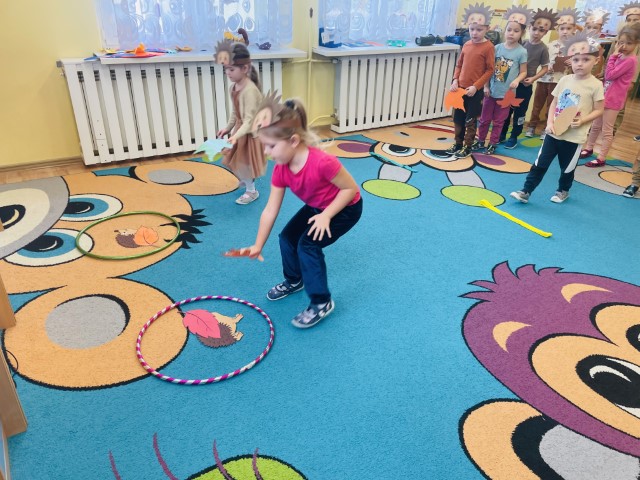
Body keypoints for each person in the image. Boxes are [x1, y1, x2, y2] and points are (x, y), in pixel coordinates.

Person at [244, 96, 363, 329]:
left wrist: (327, 215)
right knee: (287, 238)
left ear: (293, 140)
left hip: (345, 208)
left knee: (307, 246)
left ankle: (322, 301)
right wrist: (258, 245)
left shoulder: (323, 162)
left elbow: (350, 189)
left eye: (271, 146)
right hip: (317, 206)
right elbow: (270, 210)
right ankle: (294, 280)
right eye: (264, 146)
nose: (267, 153)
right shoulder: (281, 169)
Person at [511, 32, 604, 204]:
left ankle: (563, 190)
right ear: (570, 60)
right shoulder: (565, 80)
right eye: (576, 60)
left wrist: (582, 121)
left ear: (596, 61)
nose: (580, 64)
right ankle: (526, 191)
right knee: (540, 163)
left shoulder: (596, 85)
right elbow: (554, 102)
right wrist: (549, 122)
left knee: (567, 168)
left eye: (586, 60)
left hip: (574, 137)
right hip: (553, 132)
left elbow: (599, 110)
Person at [214, 41, 267, 205]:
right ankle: (246, 181)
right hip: (240, 130)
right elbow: (235, 112)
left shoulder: (250, 91)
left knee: (244, 163)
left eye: (231, 69)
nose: (228, 73)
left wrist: (236, 136)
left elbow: (249, 120)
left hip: (251, 133)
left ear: (244, 69)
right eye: (226, 69)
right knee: (235, 160)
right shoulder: (234, 88)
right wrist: (228, 128)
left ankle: (252, 191)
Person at [580, 23, 640, 167]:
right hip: (605, 96)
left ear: (637, 43)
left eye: (629, 43)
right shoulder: (621, 56)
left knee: (606, 130)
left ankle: (601, 157)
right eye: (621, 42)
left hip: (614, 100)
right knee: (595, 125)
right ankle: (589, 148)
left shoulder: (630, 60)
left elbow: (610, 75)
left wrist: (612, 57)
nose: (623, 46)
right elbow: (608, 76)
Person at [499, 8, 555, 148]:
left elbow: (545, 68)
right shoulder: (521, 43)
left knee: (520, 113)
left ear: (545, 33)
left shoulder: (543, 48)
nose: (536, 33)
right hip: (511, 84)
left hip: (525, 86)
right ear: (529, 28)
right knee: (507, 110)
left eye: (541, 30)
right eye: (534, 29)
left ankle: (514, 136)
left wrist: (533, 78)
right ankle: (502, 133)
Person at [446, 3, 495, 159]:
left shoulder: (488, 47)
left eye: (479, 30)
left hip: (474, 91)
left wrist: (476, 86)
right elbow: (459, 65)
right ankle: (458, 143)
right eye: (472, 29)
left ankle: (467, 146)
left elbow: (490, 70)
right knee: (458, 118)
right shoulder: (466, 44)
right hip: (460, 89)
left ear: (487, 29)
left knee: (470, 120)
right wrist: (455, 80)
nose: (474, 33)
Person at [473, 17, 527, 155]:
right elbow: (488, 69)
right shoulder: (496, 48)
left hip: (507, 95)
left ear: (522, 33)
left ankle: (493, 143)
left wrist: (517, 80)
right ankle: (480, 141)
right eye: (509, 30)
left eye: (516, 31)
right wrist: (486, 86)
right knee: (484, 119)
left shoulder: (521, 52)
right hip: (491, 92)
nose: (511, 33)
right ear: (504, 31)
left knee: (499, 121)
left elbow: (523, 72)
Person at [526, 8, 579, 139]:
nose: (565, 31)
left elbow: (578, 69)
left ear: (574, 30)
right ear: (557, 30)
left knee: (552, 105)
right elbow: (542, 61)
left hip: (559, 82)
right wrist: (547, 66)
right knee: (537, 105)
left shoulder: (575, 49)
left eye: (568, 29)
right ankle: (532, 126)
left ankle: (546, 127)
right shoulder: (549, 45)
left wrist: (573, 63)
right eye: (562, 29)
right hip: (543, 79)